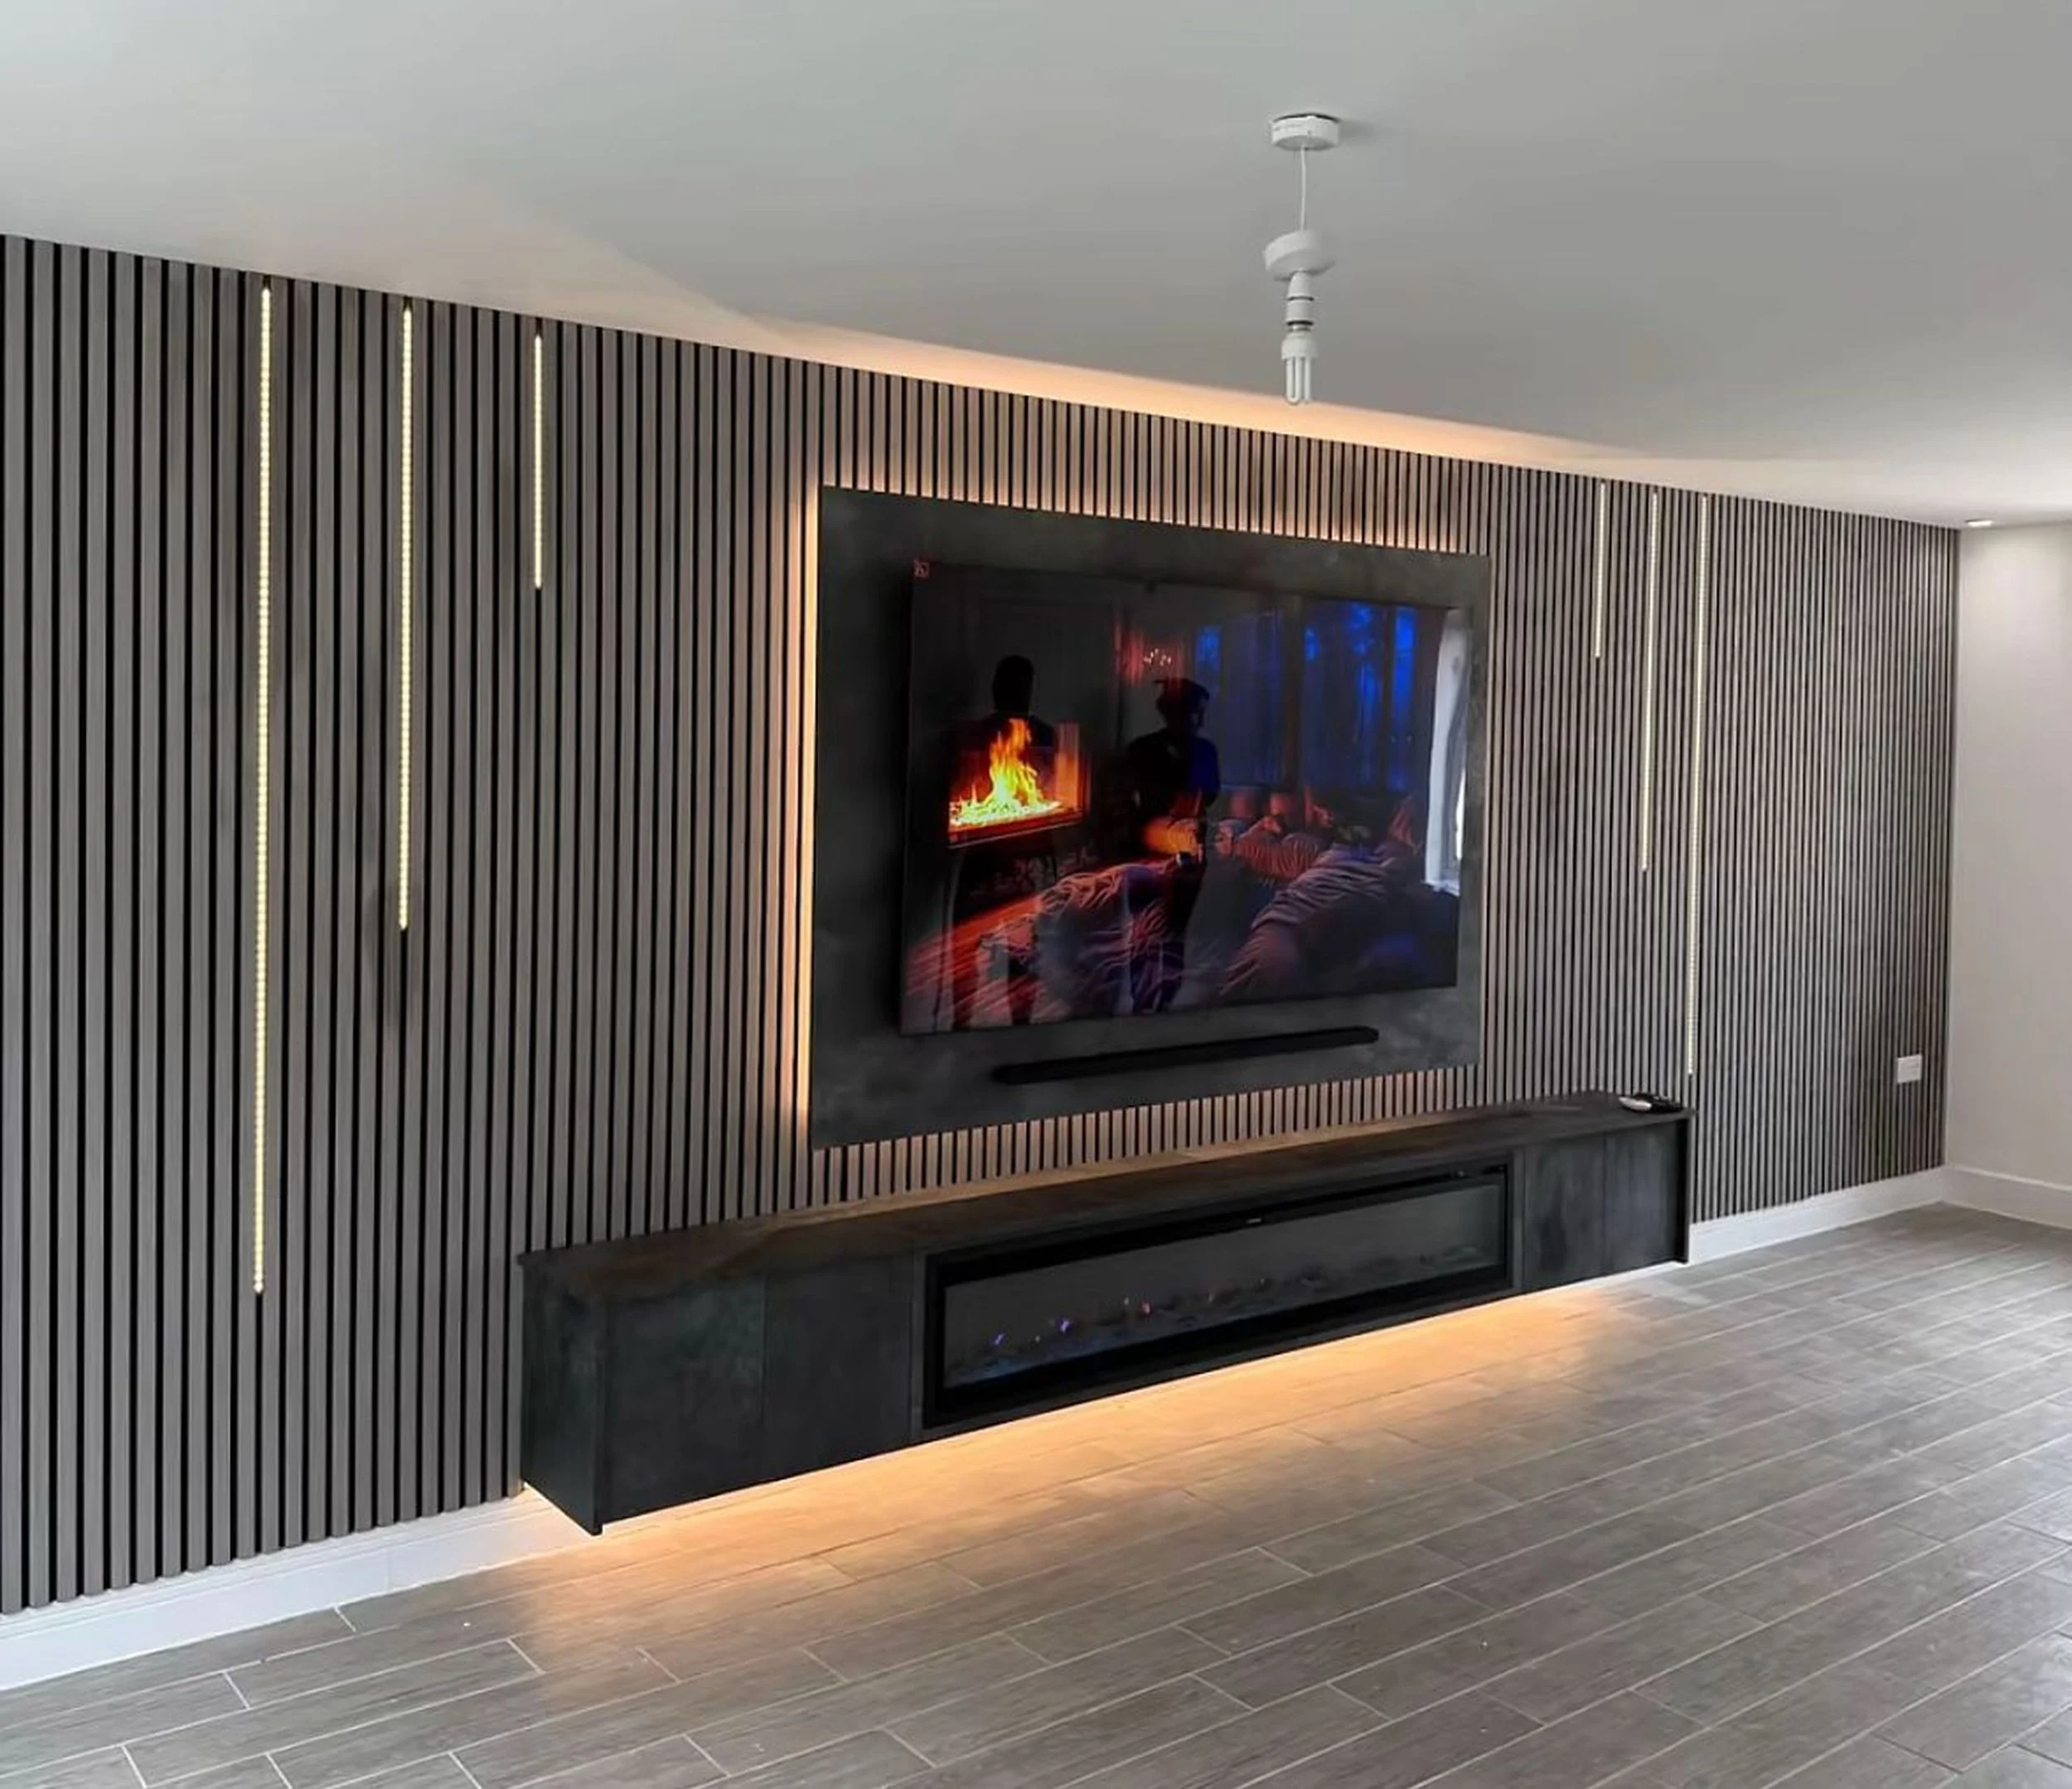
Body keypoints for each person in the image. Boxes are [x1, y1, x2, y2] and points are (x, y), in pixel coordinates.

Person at [1119, 678, 1221, 1011]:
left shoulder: (1206, 751)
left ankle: (1177, 965)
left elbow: (1209, 796)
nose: (1201, 722)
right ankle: (1148, 983)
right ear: (1176, 714)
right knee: (1189, 846)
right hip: (1158, 827)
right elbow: (1138, 802)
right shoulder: (1143, 749)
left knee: (1206, 843)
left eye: (1203, 715)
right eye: (1196, 714)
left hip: (1194, 828)